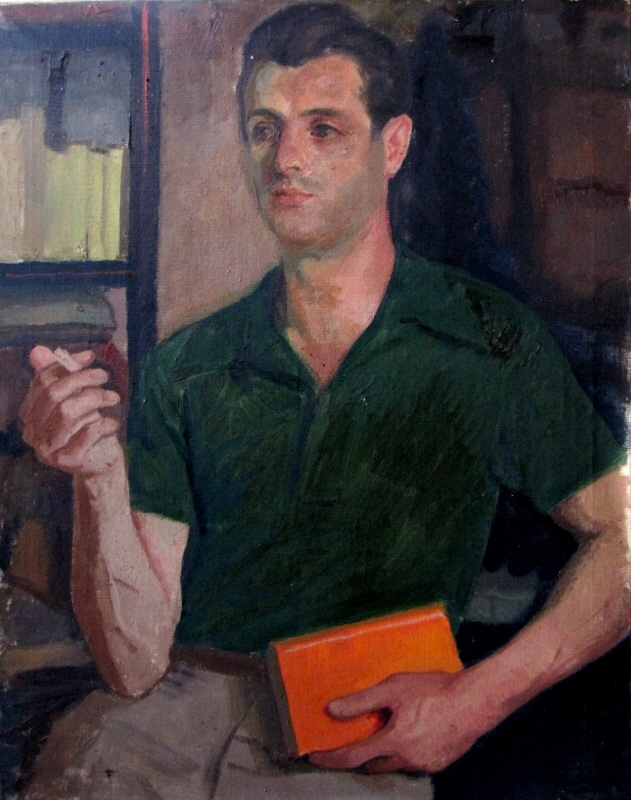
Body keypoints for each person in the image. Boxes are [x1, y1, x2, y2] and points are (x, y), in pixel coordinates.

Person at [18, 3, 629, 798]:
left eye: (323, 129)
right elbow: (134, 666)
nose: (285, 159)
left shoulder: (486, 339)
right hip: (160, 726)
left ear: (393, 146)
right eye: (263, 129)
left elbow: (624, 540)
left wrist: (475, 701)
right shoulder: (189, 364)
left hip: (352, 736)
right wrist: (97, 474)